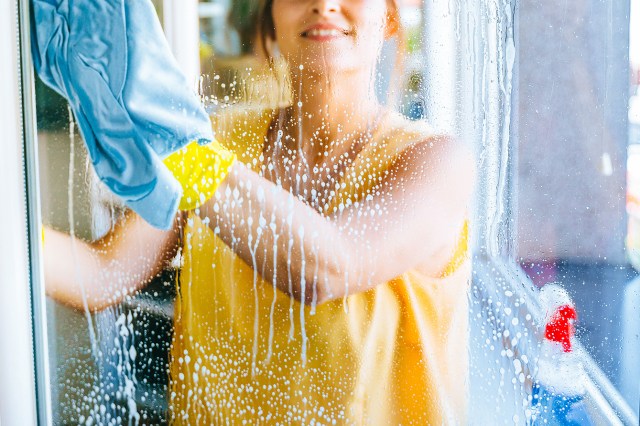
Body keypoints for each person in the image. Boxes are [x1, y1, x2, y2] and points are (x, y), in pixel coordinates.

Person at [44, 0, 475, 423]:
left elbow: (328, 267)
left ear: (390, 17)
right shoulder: (216, 140)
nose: (324, 4)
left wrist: (175, 142)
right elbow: (105, 273)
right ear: (270, 19)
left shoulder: (439, 164)